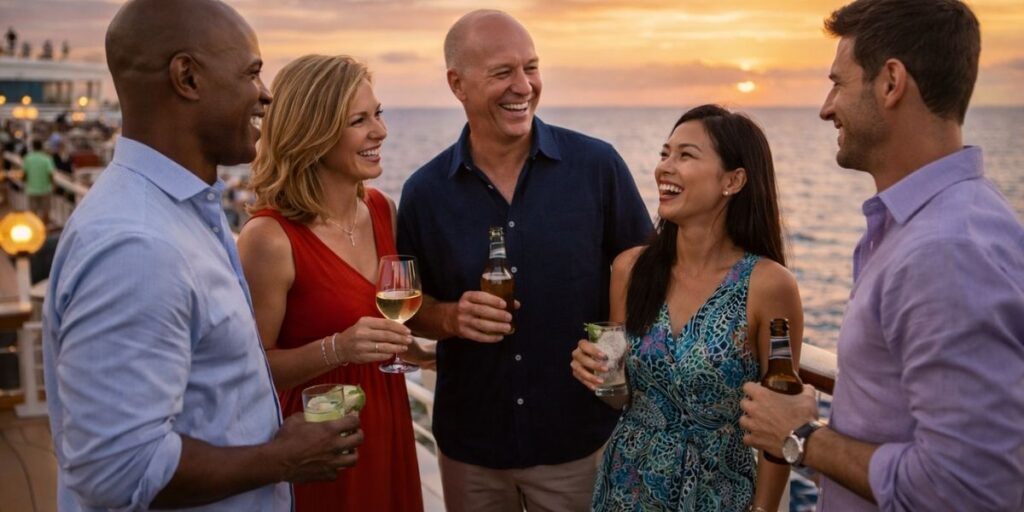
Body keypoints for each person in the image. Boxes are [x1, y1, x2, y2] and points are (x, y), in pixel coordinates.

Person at [41, 1, 363, 511]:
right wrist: (281, 459)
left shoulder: (184, 213)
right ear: (187, 77)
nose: (266, 93)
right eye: (251, 72)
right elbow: (119, 470)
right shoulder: (138, 245)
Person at [739, 1, 1024, 510]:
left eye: (839, 83)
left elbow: (965, 489)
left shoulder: (945, 252)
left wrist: (802, 435)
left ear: (891, 82)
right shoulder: (935, 224)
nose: (827, 107)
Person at [396, 9, 653, 512]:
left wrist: (619, 345)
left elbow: (647, 272)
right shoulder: (424, 193)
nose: (524, 86)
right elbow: (409, 306)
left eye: (530, 67)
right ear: (457, 84)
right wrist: (450, 316)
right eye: (502, 72)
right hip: (471, 453)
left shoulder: (597, 166)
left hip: (579, 445)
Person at [570, 105, 802, 511]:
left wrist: (765, 509)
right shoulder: (630, 269)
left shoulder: (769, 285)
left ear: (733, 180)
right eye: (665, 153)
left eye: (685, 155)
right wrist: (599, 375)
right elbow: (621, 398)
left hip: (718, 493)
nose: (665, 167)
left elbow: (780, 417)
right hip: (627, 487)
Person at [237, 54, 430, 512]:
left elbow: (382, 335)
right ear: (313, 133)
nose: (380, 132)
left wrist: (430, 353)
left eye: (377, 114)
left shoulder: (382, 209)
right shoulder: (268, 238)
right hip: (319, 442)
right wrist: (338, 348)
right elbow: (249, 372)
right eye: (358, 121)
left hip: (387, 424)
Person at [22, 138, 54, 225]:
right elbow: (50, 174)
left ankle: (35, 230)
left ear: (33, 147)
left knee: (33, 213)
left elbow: (24, 175)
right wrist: (53, 185)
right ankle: (45, 229)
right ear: (41, 147)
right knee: (46, 211)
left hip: (32, 189)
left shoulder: (27, 158)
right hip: (45, 189)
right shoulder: (46, 159)